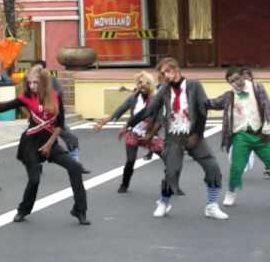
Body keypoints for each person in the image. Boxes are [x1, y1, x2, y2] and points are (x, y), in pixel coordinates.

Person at [0, 66, 90, 225]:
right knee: (34, 180)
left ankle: (79, 211)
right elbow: (1, 106)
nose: (32, 86)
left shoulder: (55, 97)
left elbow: (59, 125)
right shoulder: (27, 96)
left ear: (44, 82)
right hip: (30, 143)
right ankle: (23, 210)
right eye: (30, 83)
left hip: (49, 142)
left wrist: (49, 145)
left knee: (74, 168)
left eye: (36, 83)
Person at [126, 57, 228, 219]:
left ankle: (212, 205)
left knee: (212, 167)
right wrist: (129, 124)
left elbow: (202, 110)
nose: (167, 75)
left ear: (177, 69)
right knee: (172, 171)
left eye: (169, 70)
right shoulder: (164, 90)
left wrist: (197, 135)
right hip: (174, 135)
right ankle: (163, 202)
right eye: (163, 73)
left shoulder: (194, 85)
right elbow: (149, 110)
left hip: (193, 133)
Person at [206, 66, 270, 207]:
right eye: (231, 81)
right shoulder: (229, 96)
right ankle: (231, 192)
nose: (235, 83)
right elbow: (213, 103)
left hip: (260, 134)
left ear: (243, 76)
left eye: (236, 78)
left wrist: (267, 125)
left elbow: (267, 106)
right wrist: (195, 99)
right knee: (237, 167)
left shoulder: (257, 88)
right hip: (241, 136)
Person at [94, 71, 165, 193]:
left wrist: (150, 135)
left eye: (147, 83)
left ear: (151, 85)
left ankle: (171, 183)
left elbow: (159, 121)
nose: (143, 85)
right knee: (130, 160)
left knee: (168, 159)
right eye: (140, 82)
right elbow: (120, 110)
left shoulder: (156, 99)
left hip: (150, 132)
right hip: (134, 132)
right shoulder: (133, 98)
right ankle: (124, 184)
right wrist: (105, 121)